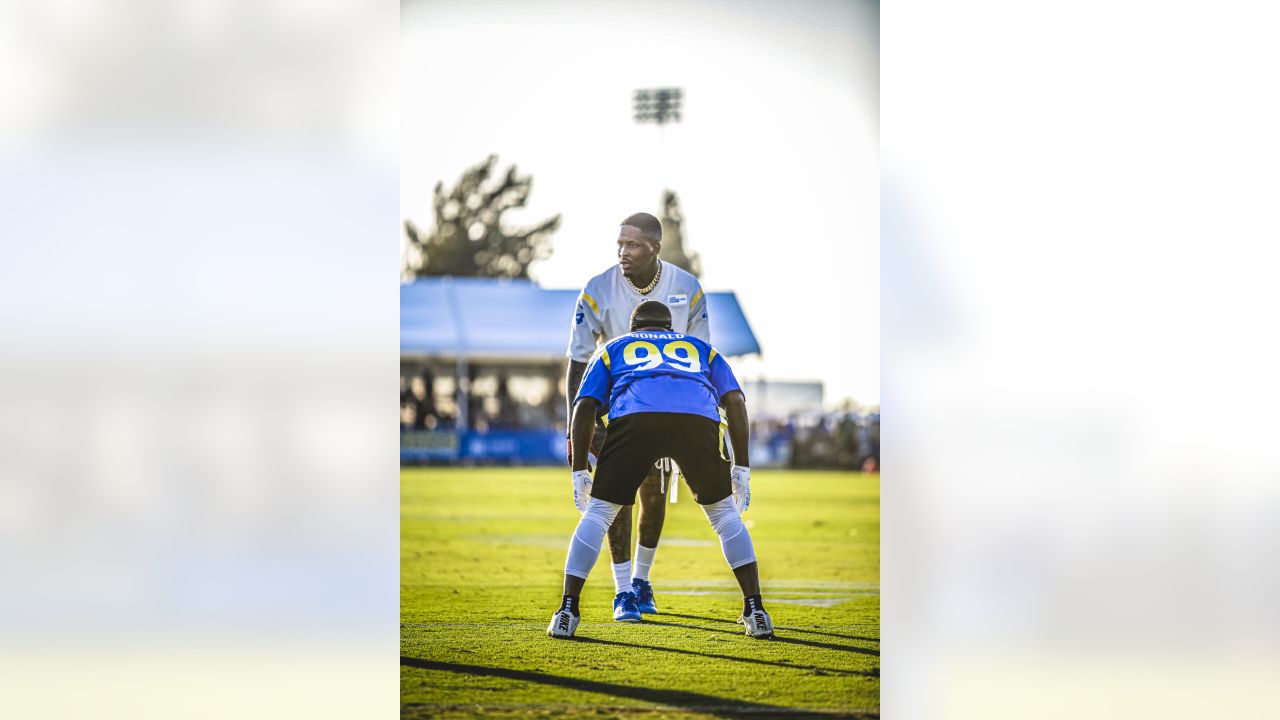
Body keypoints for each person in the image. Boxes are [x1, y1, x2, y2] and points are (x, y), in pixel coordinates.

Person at [548, 301, 772, 640]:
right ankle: (756, 610)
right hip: (697, 420)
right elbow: (736, 402)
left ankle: (567, 610)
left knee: (598, 514)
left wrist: (579, 469)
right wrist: (741, 465)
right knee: (725, 516)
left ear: (632, 326)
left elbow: (584, 406)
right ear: (672, 328)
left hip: (636, 418)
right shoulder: (701, 349)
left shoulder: (614, 347)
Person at [565, 212, 711, 622]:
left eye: (632, 245)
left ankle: (642, 580)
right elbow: (577, 360)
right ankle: (623, 588)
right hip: (615, 408)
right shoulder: (597, 289)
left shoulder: (687, 288)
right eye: (619, 244)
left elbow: (702, 357)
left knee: (655, 494)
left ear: (654, 248)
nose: (622, 252)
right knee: (616, 497)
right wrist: (579, 422)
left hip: (671, 405)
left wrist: (699, 418)